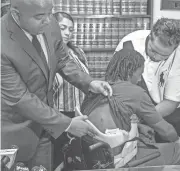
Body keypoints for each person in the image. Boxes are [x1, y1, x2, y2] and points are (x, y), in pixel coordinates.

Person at [1, 0, 112, 170]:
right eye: (40, 16)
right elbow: (21, 98)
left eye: (50, 12)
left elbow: (62, 59)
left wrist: (89, 82)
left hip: (45, 132)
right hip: (15, 133)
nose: (48, 21)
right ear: (16, 14)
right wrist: (67, 124)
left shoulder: (49, 22)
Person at [81, 45, 180, 166]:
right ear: (129, 73)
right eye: (139, 75)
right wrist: (178, 140)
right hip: (119, 160)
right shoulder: (136, 93)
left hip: (90, 158)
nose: (138, 80)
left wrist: (139, 126)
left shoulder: (96, 86)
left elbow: (106, 121)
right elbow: (165, 131)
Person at [115, 18, 180, 141]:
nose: (156, 57)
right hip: (131, 111)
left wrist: (141, 118)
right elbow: (119, 85)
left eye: (164, 55)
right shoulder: (129, 44)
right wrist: (133, 121)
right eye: (153, 50)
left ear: (174, 48)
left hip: (168, 114)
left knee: (170, 153)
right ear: (150, 35)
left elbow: (171, 103)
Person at [51, 12, 90, 169]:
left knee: (77, 162)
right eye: (63, 28)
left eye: (71, 29)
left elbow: (85, 80)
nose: (68, 32)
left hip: (79, 115)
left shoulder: (77, 52)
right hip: (58, 117)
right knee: (58, 161)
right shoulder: (47, 54)